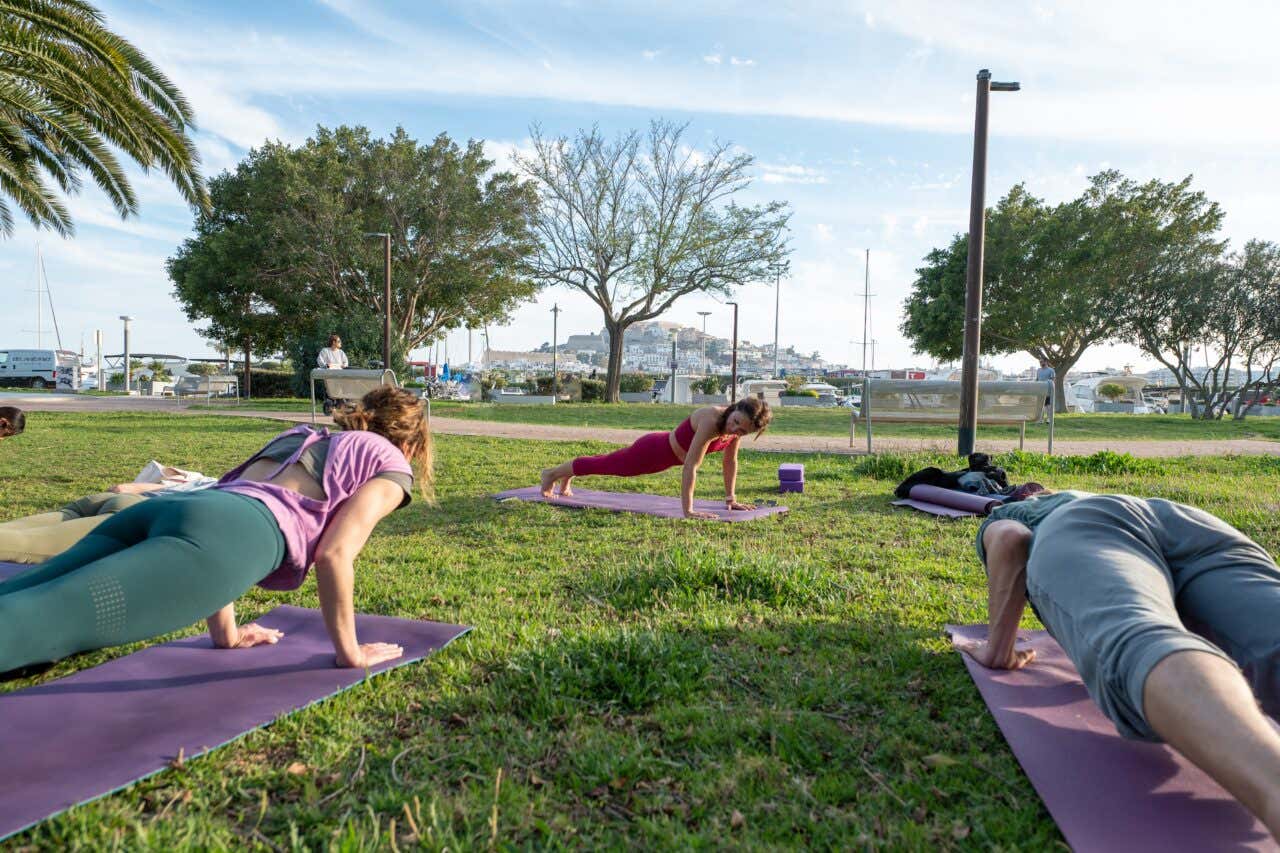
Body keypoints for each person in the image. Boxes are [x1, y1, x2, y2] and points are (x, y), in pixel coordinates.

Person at [0, 386, 432, 673]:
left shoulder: (301, 436)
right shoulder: (391, 462)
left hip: (175, 508)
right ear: (411, 445)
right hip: (230, 532)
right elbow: (334, 555)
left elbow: (232, 501)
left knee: (24, 592)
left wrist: (227, 635)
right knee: (37, 623)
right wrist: (351, 654)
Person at [959, 490, 1280, 837]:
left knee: (1141, 637)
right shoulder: (1090, 493)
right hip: (1192, 523)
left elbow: (1010, 540)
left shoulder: (1017, 511)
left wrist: (998, 651)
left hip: (1091, 526)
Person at [538, 398, 772, 520]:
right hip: (652, 451)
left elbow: (730, 462)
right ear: (734, 409)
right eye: (736, 421)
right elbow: (691, 464)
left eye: (743, 431)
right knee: (607, 464)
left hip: (664, 459)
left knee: (605, 462)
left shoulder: (734, 432)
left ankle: (565, 475)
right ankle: (551, 474)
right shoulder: (712, 419)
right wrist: (688, 510)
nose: (735, 429)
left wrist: (731, 499)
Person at [0, 463, 216, 564]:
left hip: (105, 499)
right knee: (25, 543)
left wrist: (134, 487)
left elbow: (167, 471)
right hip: (133, 511)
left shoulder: (210, 480)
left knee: (15, 532)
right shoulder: (228, 495)